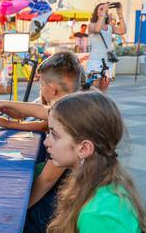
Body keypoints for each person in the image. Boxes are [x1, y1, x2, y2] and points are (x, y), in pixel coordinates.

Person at [0, 51, 85, 233]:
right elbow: (42, 116)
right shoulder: (77, 105)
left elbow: (47, 180)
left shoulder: (69, 118)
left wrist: (18, 211)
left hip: (67, 198)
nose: (48, 141)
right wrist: (9, 118)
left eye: (41, 85)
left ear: (53, 88)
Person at [46, 92, 146, 233]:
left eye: (54, 135)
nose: (46, 142)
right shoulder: (103, 180)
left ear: (84, 148)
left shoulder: (97, 215)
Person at [86, 2, 126, 90]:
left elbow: (122, 31)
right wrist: (103, 13)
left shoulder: (109, 26)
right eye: (100, 9)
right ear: (96, 12)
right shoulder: (92, 25)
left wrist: (120, 14)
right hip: (95, 60)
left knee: (104, 89)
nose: (103, 10)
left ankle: (101, 104)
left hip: (108, 61)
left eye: (104, 9)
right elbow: (97, 29)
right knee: (93, 88)